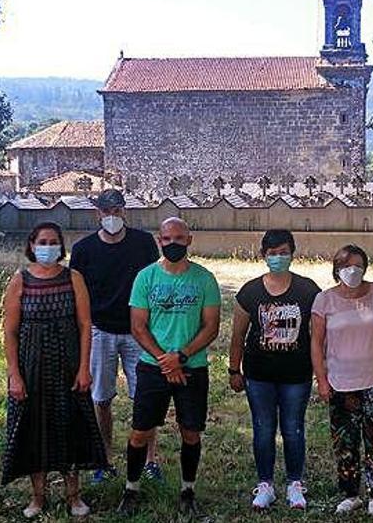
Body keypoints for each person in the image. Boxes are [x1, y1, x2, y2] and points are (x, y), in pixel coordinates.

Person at [0, 222, 106, 519]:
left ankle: (74, 497)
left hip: (68, 364)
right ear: (32, 245)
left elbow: (86, 326)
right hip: (31, 366)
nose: (48, 246)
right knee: (34, 430)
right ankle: (38, 497)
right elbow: (9, 332)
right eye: (42, 241)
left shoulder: (74, 278)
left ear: (61, 246)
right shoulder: (19, 281)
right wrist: (14, 374)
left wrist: (84, 367)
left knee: (71, 427)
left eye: (54, 241)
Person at [118, 217, 222, 518]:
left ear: (189, 240)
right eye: (167, 239)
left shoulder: (204, 278)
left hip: (192, 367)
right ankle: (131, 488)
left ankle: (187, 490)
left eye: (179, 238)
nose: (173, 243)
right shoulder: (146, 277)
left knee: (190, 432)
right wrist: (166, 360)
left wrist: (182, 356)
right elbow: (138, 327)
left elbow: (211, 327)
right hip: (153, 368)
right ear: (158, 241)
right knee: (140, 432)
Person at [68, 189, 164, 483]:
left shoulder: (143, 243)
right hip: (100, 331)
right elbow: (78, 294)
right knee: (102, 399)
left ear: (125, 212)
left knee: (145, 398)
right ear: (98, 214)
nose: (112, 217)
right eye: (106, 212)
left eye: (117, 211)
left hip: (139, 332)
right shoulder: (83, 249)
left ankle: (151, 460)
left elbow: (155, 282)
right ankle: (105, 460)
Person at [228, 229, 322, 510]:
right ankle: (265, 484)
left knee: (293, 429)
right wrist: (234, 370)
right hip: (259, 375)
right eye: (272, 253)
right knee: (263, 429)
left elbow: (318, 336)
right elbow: (237, 337)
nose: (278, 258)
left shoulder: (308, 290)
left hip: (297, 375)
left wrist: (322, 371)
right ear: (263, 256)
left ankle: (295, 483)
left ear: (293, 253)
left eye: (283, 252)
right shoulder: (250, 292)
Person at [311, 245, 373, 517]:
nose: (353, 270)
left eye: (359, 265)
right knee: (345, 443)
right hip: (340, 382)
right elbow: (316, 342)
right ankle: (350, 494)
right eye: (347, 265)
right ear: (337, 269)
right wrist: (322, 380)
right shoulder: (324, 300)